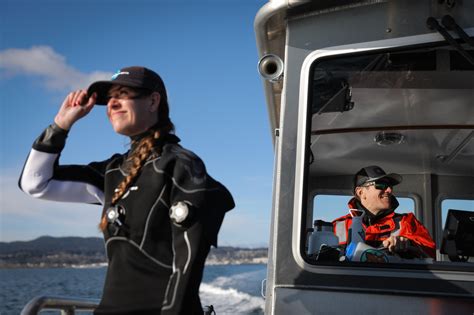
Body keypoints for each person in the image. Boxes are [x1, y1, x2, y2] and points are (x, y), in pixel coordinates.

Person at [19, 66, 235, 314]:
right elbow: (35, 183)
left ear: (153, 101)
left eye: (123, 94)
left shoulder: (181, 165)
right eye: (109, 99)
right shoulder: (112, 173)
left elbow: (188, 260)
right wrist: (61, 125)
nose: (112, 104)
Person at [332, 165, 436, 259]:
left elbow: (430, 255)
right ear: (361, 192)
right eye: (381, 185)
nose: (389, 190)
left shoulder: (407, 222)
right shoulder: (336, 227)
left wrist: (409, 245)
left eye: (390, 185)